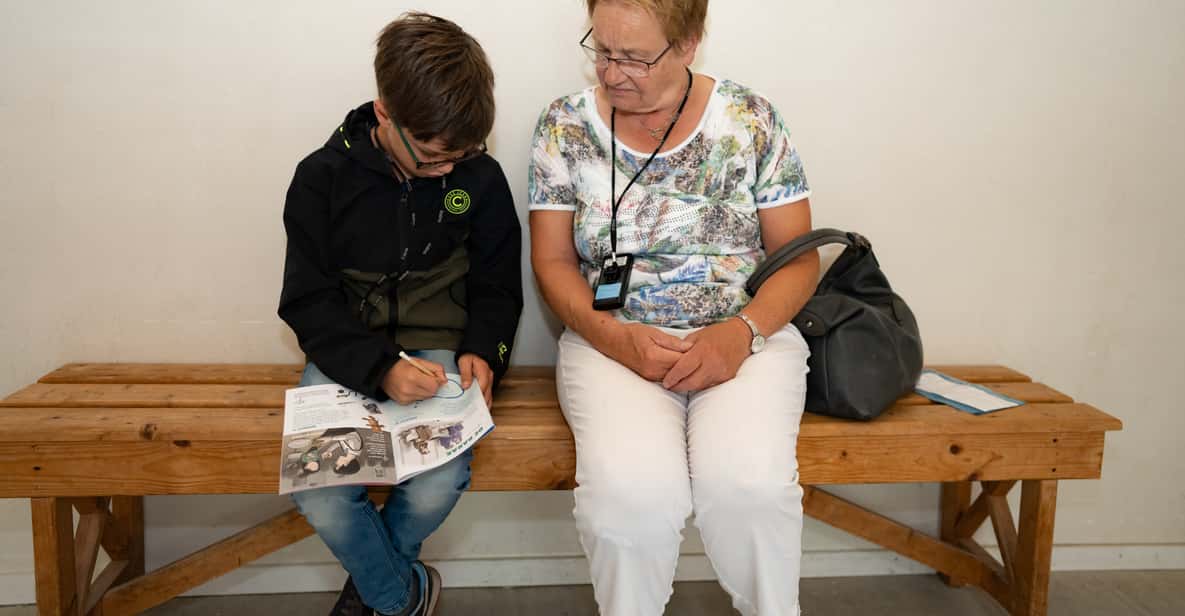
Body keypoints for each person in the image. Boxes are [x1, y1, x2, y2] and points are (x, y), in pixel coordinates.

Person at [528, 1, 818, 613]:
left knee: (750, 491)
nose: (611, 73)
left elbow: (798, 259)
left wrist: (740, 333)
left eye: (633, 56)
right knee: (629, 502)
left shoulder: (752, 119)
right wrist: (614, 338)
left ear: (689, 44)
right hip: (612, 344)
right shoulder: (564, 126)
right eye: (601, 50)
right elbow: (553, 262)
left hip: (747, 340)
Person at [278, 12, 523, 616]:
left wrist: (484, 350)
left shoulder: (480, 178)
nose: (450, 169)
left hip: (440, 356)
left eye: (462, 154)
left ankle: (375, 595)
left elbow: (498, 284)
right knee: (323, 490)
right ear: (385, 112)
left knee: (442, 477)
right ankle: (401, 596)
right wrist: (380, 366)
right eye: (436, 156)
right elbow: (306, 301)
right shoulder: (320, 180)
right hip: (345, 356)